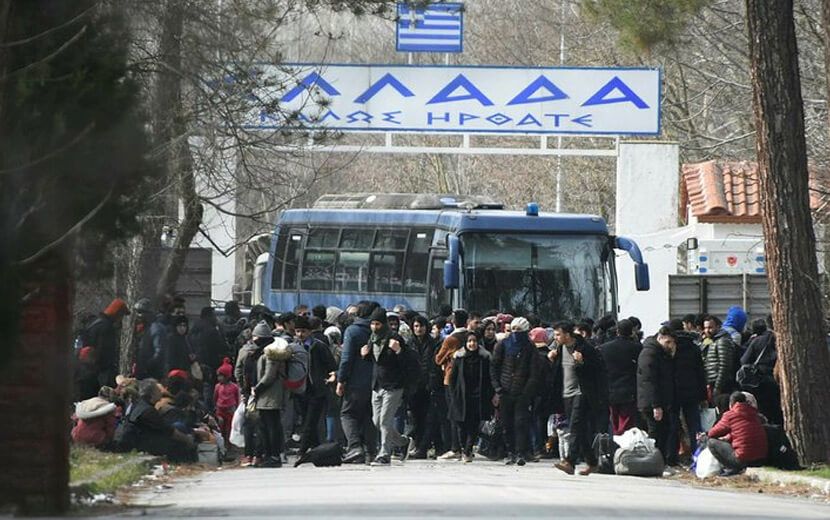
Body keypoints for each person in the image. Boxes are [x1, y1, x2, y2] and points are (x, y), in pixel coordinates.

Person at [551, 320, 604, 476]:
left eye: (558, 334)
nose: (555, 337)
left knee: (575, 426)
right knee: (580, 430)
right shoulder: (560, 349)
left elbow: (597, 370)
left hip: (582, 393)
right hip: (566, 393)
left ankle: (570, 461)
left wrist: (582, 362)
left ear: (568, 334)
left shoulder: (585, 348)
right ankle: (593, 462)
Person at [360, 307, 412, 465]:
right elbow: (377, 362)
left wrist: (399, 352)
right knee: (377, 421)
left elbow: (407, 363)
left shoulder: (394, 338)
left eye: (377, 324)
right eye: (372, 324)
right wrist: (365, 355)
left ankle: (384, 454)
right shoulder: (372, 338)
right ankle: (404, 442)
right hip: (377, 385)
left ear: (384, 324)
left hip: (393, 385)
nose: (375, 327)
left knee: (384, 421)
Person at [490, 317, 539, 466]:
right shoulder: (502, 345)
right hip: (505, 390)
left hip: (522, 392)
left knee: (520, 423)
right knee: (506, 423)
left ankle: (520, 452)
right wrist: (497, 388)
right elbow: (494, 367)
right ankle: (509, 451)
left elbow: (534, 372)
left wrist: (527, 391)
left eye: (520, 330)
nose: (516, 333)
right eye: (514, 329)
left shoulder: (530, 348)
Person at [116, 379, 196, 462]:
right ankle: (187, 465)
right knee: (179, 441)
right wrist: (187, 439)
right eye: (158, 390)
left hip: (140, 440)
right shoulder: (148, 411)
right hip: (138, 445)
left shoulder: (139, 404)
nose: (161, 392)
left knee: (179, 427)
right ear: (152, 393)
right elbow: (168, 431)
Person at [337, 301, 378, 464]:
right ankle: (371, 450)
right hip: (375, 381)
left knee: (347, 414)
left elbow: (346, 359)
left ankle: (354, 447)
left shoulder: (352, 331)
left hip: (355, 381)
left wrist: (341, 379)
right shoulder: (380, 330)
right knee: (368, 415)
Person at [449, 331, 494, 463]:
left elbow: (489, 378)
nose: (472, 344)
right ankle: (464, 448)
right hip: (461, 396)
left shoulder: (484, 358)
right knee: (460, 424)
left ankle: (468, 450)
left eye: (474, 341)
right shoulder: (459, 357)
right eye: (469, 341)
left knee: (473, 425)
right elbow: (453, 378)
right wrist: (453, 394)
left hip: (478, 396)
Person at [295, 315, 337, 456]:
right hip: (300, 390)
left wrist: (331, 377)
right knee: (307, 420)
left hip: (317, 389)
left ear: (309, 332)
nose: (300, 335)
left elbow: (331, 365)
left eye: (303, 331)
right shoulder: (294, 348)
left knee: (310, 421)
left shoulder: (318, 346)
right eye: (298, 331)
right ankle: (317, 448)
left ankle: (302, 451)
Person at [667, 319, 707, 463]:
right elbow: (701, 373)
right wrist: (703, 396)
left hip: (673, 392)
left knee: (672, 425)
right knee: (694, 425)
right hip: (692, 392)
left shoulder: (669, 347)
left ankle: (671, 456)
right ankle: (698, 455)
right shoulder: (693, 347)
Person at [434, 309, 470, 460]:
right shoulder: (471, 337)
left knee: (453, 414)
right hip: (469, 379)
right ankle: (466, 446)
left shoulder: (450, 339)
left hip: (451, 379)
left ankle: (455, 447)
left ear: (453, 322)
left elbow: (438, 359)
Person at [234, 321, 272, 466]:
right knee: (262, 425)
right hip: (263, 392)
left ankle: (249, 455)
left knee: (249, 424)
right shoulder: (269, 352)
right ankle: (258, 455)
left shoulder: (245, 351)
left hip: (249, 393)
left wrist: (243, 390)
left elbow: (239, 372)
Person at [637, 326, 676, 464]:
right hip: (652, 402)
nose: (670, 346)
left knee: (662, 431)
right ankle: (654, 461)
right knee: (656, 433)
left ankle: (659, 461)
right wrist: (656, 405)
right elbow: (649, 381)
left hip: (657, 400)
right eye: (668, 342)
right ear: (660, 338)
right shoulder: (650, 354)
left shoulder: (659, 353)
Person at [703, 391, 767, 475]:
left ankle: (731, 468)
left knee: (711, 442)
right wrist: (728, 437)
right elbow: (742, 431)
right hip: (760, 459)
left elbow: (713, 433)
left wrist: (706, 434)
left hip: (742, 459)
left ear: (731, 404)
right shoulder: (755, 414)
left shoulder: (730, 415)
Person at [81, 298, 131, 398]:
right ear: (117, 314)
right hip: (100, 374)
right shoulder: (106, 328)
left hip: (86, 371)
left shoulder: (93, 323)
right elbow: (105, 354)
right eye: (121, 316)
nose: (120, 319)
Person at [599, 319, 641, 435]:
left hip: (610, 389)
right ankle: (623, 445)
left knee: (614, 420)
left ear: (617, 331)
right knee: (626, 421)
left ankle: (615, 444)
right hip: (629, 389)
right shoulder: (637, 348)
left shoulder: (604, 348)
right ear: (632, 331)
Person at [253, 336, 289, 468]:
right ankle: (271, 455)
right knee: (270, 426)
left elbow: (269, 376)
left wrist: (257, 389)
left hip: (269, 396)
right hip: (270, 396)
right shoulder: (271, 354)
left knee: (270, 427)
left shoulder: (271, 355)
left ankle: (272, 456)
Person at [740, 317, 781, 425]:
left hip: (761, 381)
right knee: (779, 412)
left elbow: (744, 360)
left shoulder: (757, 341)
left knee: (764, 411)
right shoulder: (783, 340)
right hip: (780, 381)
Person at [189, 307, 229, 411]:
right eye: (214, 315)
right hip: (210, 365)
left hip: (195, 365)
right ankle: (208, 412)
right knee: (208, 392)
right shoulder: (212, 330)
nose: (215, 318)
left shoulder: (193, 329)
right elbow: (221, 347)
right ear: (209, 316)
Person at [702, 315, 738, 400]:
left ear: (718, 327)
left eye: (710, 327)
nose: (707, 330)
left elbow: (725, 366)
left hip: (721, 385)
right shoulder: (712, 341)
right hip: (713, 383)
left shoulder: (722, 341)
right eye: (705, 328)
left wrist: (717, 387)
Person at [214, 358, 240, 446]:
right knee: (220, 426)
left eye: (221, 376)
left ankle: (229, 444)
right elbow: (215, 397)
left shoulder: (234, 387)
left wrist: (236, 408)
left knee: (229, 427)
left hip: (230, 410)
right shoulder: (217, 386)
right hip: (220, 410)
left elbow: (237, 398)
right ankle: (222, 443)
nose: (219, 378)